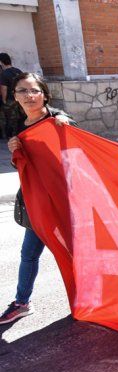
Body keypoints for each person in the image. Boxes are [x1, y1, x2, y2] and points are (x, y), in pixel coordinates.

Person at [1, 72, 74, 324]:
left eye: (34, 90)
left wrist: (66, 123)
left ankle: (93, 297)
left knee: (76, 252)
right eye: (22, 91)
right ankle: (22, 302)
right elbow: (27, 165)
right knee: (29, 253)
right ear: (15, 96)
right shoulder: (19, 126)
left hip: (65, 201)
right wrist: (14, 150)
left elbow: (77, 154)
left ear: (44, 94)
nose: (28, 96)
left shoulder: (58, 120)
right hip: (37, 202)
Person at [0, 52, 23, 139]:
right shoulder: (18, 71)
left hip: (9, 100)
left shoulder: (4, 74)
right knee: (19, 117)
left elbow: (4, 89)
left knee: (8, 118)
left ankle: (9, 136)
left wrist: (4, 100)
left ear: (1, 62)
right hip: (19, 98)